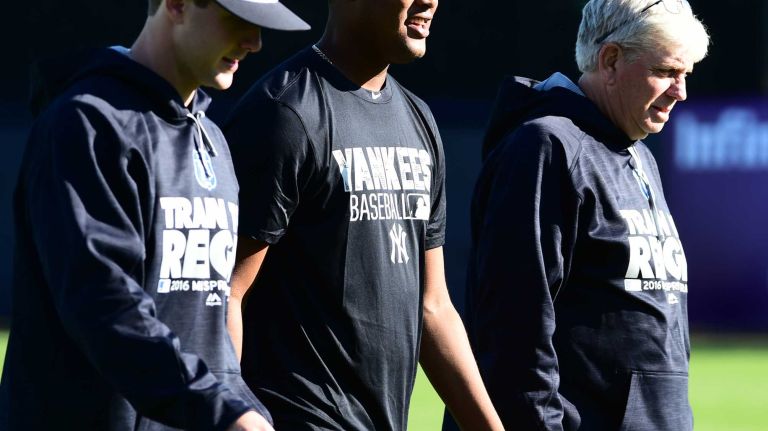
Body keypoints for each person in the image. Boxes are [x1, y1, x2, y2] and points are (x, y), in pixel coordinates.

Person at [0, 0, 308, 429]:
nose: (255, 43)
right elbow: (105, 307)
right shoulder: (87, 124)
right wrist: (227, 413)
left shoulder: (212, 139)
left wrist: (243, 406)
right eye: (238, 21)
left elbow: (209, 328)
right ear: (177, 4)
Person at [223, 0, 503, 429]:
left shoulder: (419, 120)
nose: (430, 1)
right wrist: (230, 416)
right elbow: (227, 292)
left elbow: (433, 306)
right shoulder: (283, 113)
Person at [450, 0, 710, 430]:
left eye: (686, 76)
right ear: (610, 60)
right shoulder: (546, 147)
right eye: (665, 72)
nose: (680, 91)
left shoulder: (639, 155)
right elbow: (515, 332)